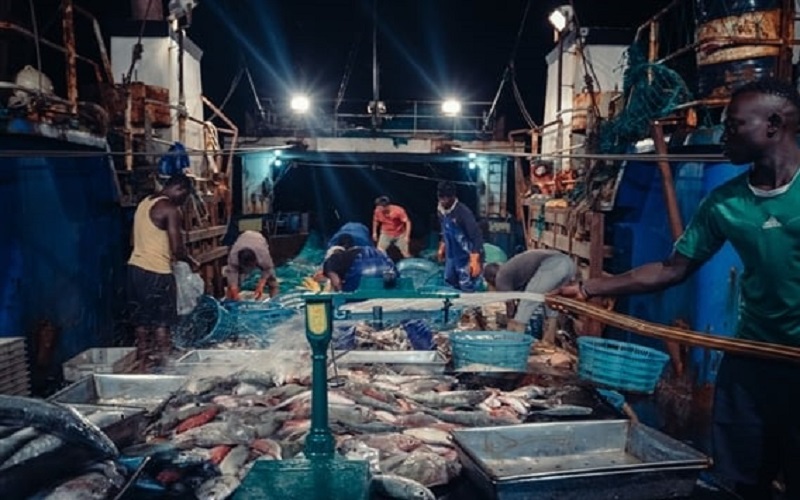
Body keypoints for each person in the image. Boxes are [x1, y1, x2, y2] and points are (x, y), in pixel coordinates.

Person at [556, 78, 800, 499]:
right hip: (751, 357)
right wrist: (589, 288)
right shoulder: (724, 202)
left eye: (734, 126)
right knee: (741, 482)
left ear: (774, 125)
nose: (723, 137)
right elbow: (672, 269)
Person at [127, 174, 197, 369]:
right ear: (180, 189)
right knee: (161, 323)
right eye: (185, 197)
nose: (183, 202)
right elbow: (177, 249)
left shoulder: (144, 203)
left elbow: (132, 239)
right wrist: (191, 261)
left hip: (135, 269)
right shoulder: (169, 208)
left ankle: (143, 364)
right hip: (157, 271)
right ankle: (167, 367)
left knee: (141, 322)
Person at [484, 250, 575, 332]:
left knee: (527, 303)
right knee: (551, 304)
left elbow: (510, 305)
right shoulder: (510, 270)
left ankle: (515, 340)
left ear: (491, 279)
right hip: (569, 264)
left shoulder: (500, 277)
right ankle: (549, 339)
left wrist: (510, 322)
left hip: (553, 265)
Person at [436, 181, 484, 291]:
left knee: (466, 284)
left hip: (466, 255)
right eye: (441, 198)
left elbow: (476, 236)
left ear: (453, 197)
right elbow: (444, 230)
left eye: (446, 198)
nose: (443, 201)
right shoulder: (441, 211)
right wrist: (442, 246)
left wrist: (475, 260)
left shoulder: (463, 212)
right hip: (451, 255)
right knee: (449, 280)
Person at [323, 234, 397, 292]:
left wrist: (340, 295)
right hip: (388, 278)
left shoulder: (332, 260)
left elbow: (336, 283)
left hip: (361, 280)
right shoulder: (372, 250)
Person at [225, 231, 279, 300]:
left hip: (258, 238)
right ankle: (230, 300)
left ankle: (274, 298)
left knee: (271, 278)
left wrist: (261, 285)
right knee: (232, 282)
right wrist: (234, 289)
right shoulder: (233, 256)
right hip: (243, 237)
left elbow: (268, 268)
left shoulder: (263, 255)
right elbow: (231, 272)